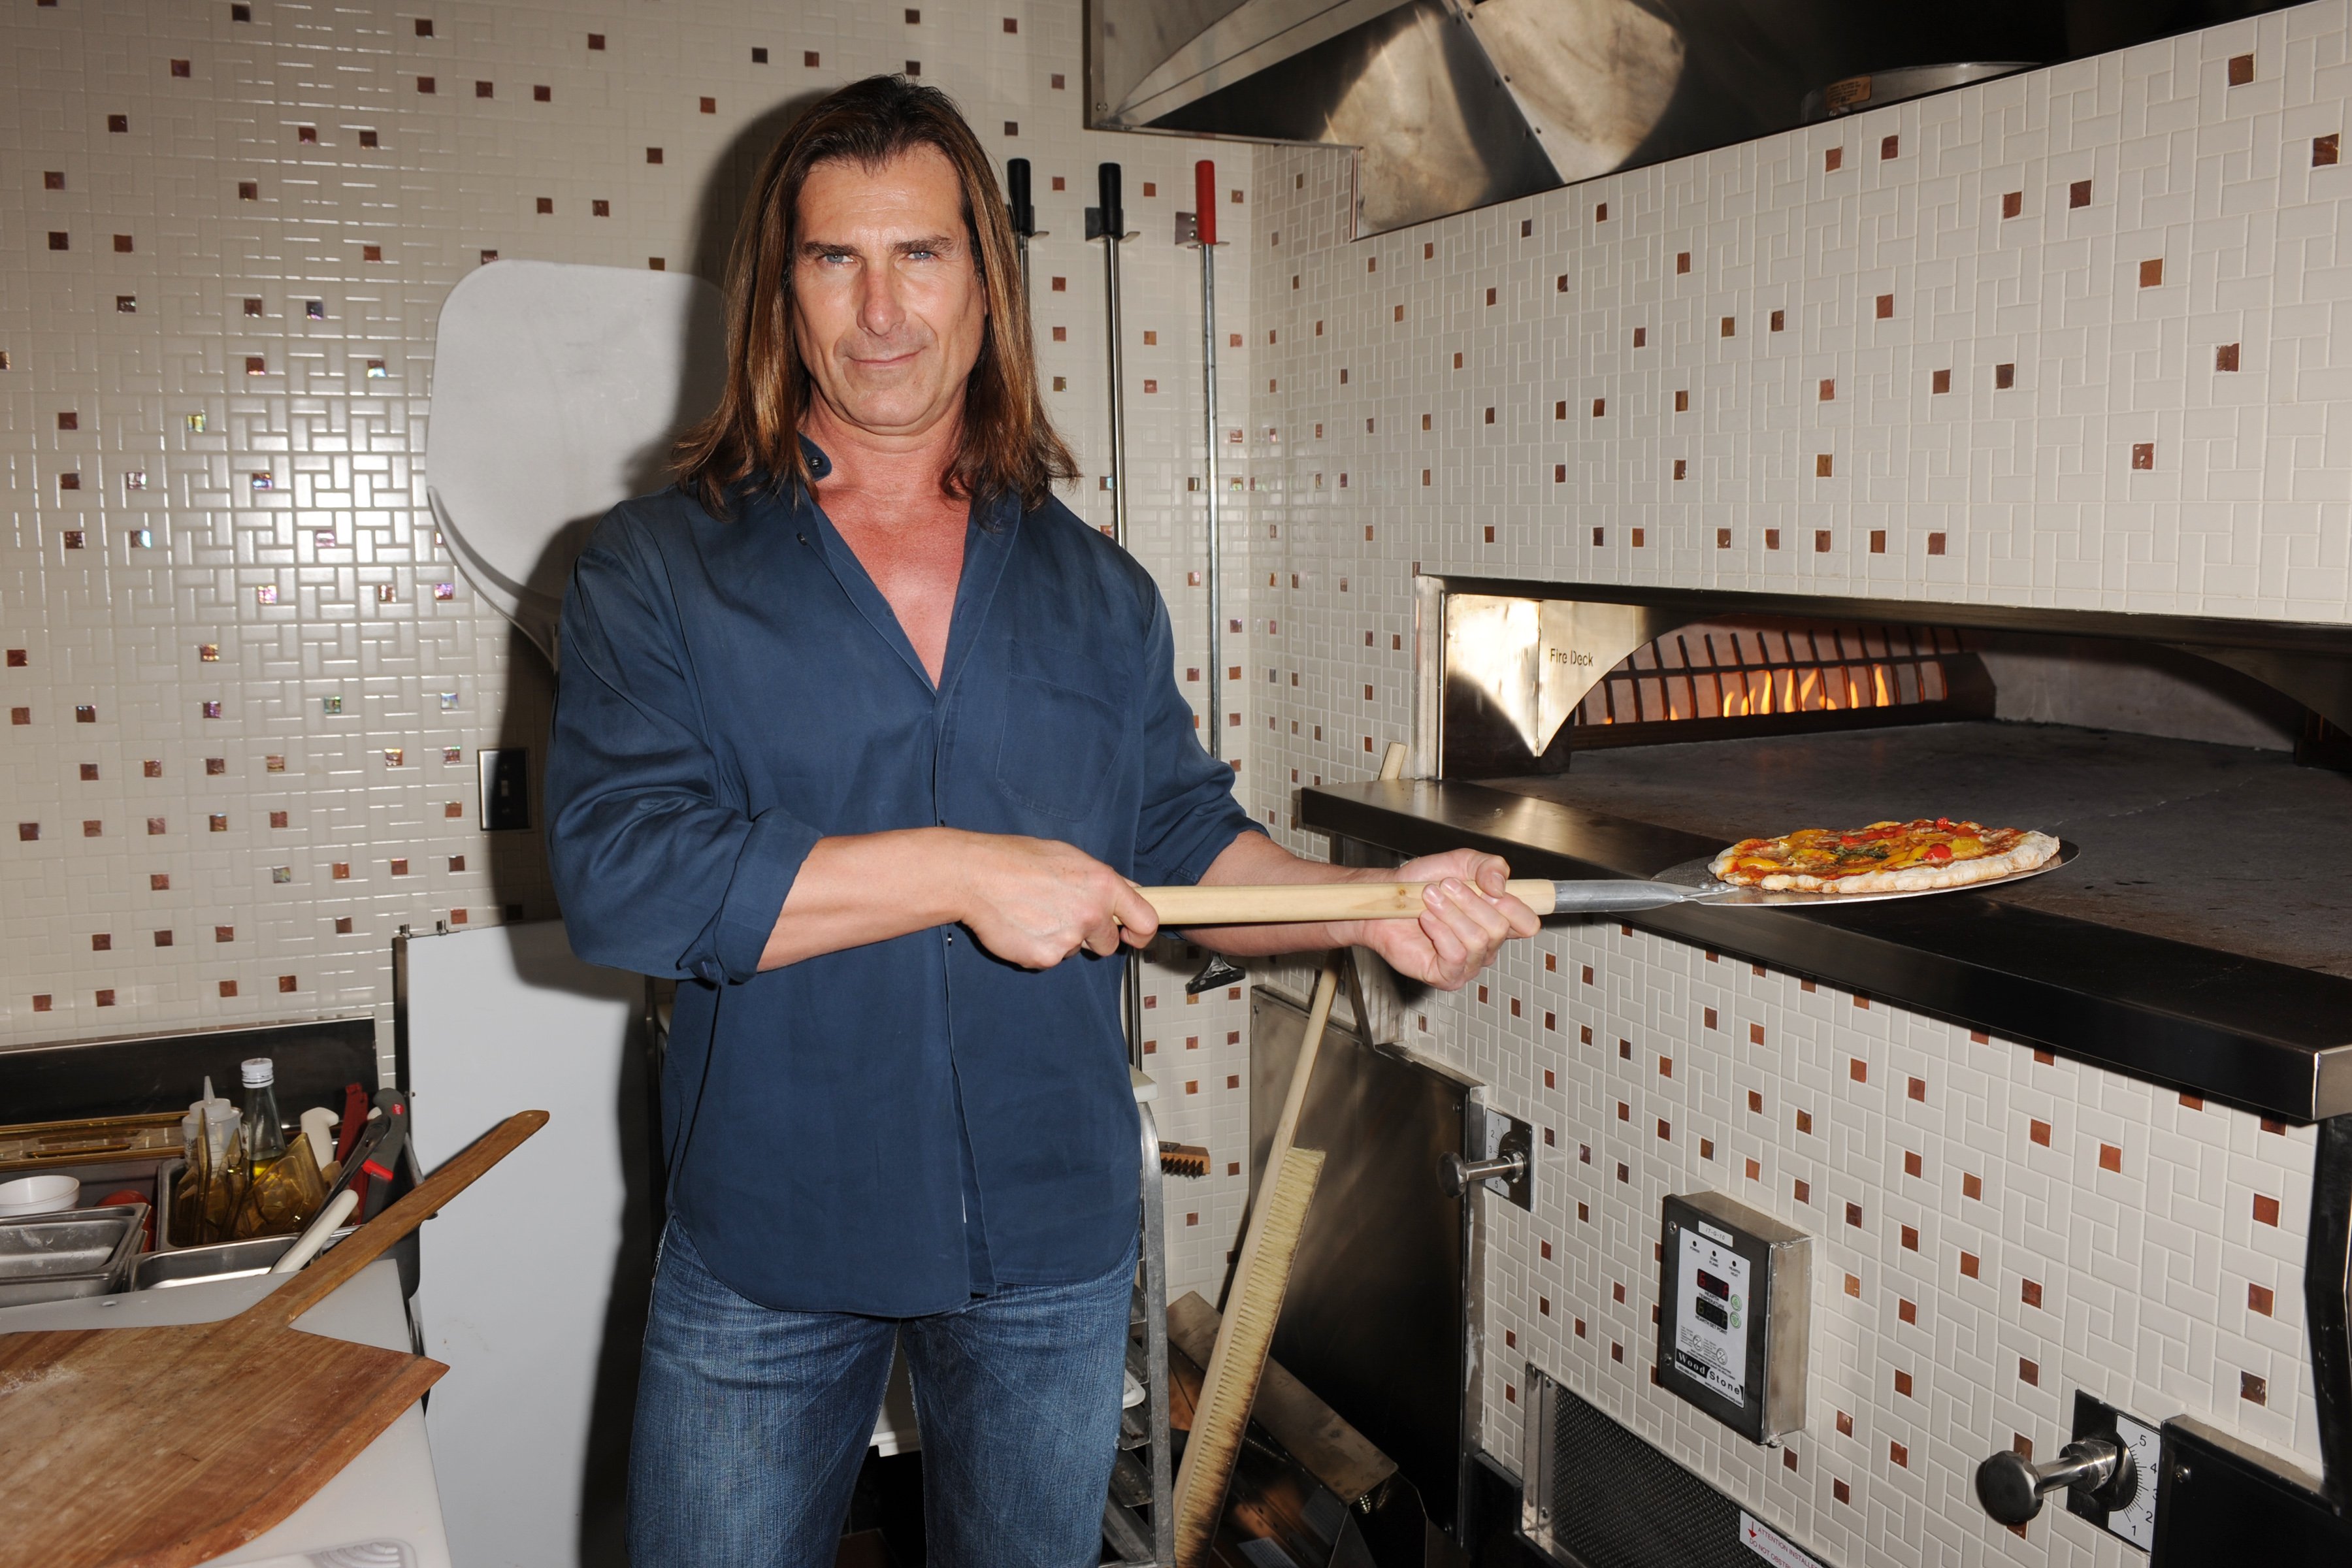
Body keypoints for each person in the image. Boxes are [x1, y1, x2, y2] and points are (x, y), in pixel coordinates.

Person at [544, 74, 1538, 1568]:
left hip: (1048, 1244)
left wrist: (1381, 903)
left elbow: (1187, 843)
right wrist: (960, 873)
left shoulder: (1096, 590)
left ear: (985, 284)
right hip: (770, 1237)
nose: (882, 312)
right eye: (836, 259)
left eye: (921, 256)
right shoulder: (656, 569)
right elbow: (619, 876)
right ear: (781, 288)